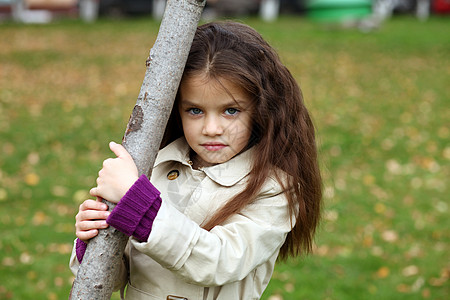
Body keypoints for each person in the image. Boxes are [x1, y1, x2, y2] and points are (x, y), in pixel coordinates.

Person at [70, 21, 323, 299]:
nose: (211, 128)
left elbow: (219, 261)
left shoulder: (273, 189)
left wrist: (140, 206)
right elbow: (116, 278)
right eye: (195, 110)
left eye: (230, 110)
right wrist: (93, 243)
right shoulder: (151, 169)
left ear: (261, 111)